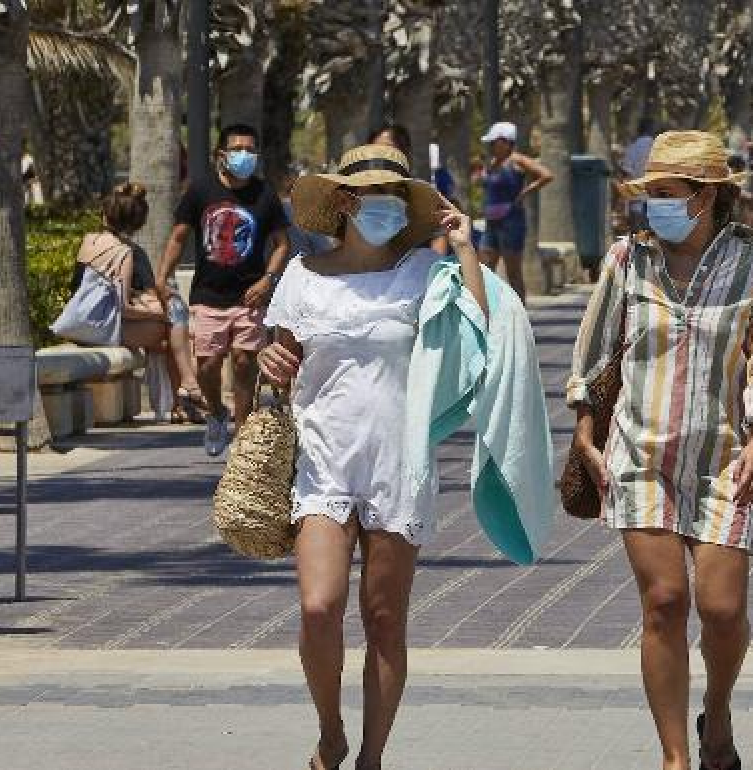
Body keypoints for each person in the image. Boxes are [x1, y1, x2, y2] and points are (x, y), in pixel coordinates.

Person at [567, 130, 753, 770]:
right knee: (664, 601)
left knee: (723, 611)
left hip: (726, 459)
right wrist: (585, 427)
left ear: (708, 196)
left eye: (668, 195)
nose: (655, 207)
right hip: (639, 452)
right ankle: (673, 756)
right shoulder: (626, 259)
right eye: (650, 195)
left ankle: (715, 712)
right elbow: (593, 350)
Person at [257, 144, 489, 770]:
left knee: (384, 618)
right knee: (319, 606)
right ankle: (331, 729)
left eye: (394, 194)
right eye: (369, 194)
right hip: (323, 461)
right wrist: (268, 362)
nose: (381, 205)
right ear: (344, 200)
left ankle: (371, 758)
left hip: (398, 462)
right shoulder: (304, 275)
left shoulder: (424, 272)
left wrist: (464, 245)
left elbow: (477, 332)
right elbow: (280, 359)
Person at [155, 123, 290, 456]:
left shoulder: (265, 195)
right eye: (237, 149)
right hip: (208, 295)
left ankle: (242, 434)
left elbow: (282, 244)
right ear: (221, 155)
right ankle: (216, 412)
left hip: (250, 295)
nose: (244, 155)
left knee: (245, 363)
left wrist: (267, 280)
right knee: (207, 365)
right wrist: (162, 277)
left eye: (250, 149)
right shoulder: (201, 191)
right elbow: (178, 237)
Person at [76, 183, 206, 423]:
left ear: (105, 214)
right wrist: (160, 315)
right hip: (103, 327)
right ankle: (187, 390)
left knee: (175, 329)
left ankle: (182, 399)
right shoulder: (125, 253)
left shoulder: (88, 242)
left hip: (84, 322)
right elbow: (123, 307)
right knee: (176, 318)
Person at [478, 121, 554, 302]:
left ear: (505, 142)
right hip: (491, 223)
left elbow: (546, 175)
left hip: (511, 221)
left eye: (493, 142)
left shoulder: (517, 160)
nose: (490, 146)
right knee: (484, 269)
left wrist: (526, 192)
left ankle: (521, 318)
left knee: (513, 272)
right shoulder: (492, 163)